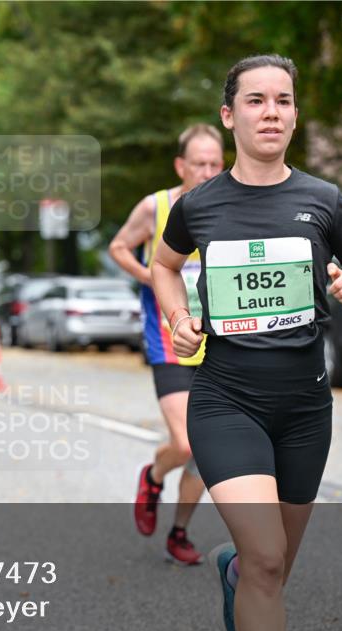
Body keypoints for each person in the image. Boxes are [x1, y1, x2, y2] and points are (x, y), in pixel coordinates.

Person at [151, 55, 342, 631]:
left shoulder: (324, 200)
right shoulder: (199, 205)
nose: (271, 112)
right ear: (228, 116)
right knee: (266, 556)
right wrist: (179, 321)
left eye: (283, 100)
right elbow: (164, 265)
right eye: (256, 100)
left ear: (295, 116)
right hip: (226, 401)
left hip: (305, 408)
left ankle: (233, 571)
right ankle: (246, 570)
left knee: (273, 567)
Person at [108, 124, 224, 565]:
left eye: (215, 164)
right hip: (169, 340)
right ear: (180, 166)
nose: (208, 172)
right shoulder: (155, 207)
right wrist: (153, 277)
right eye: (199, 164)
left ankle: (179, 532)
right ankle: (154, 476)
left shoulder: (230, 206)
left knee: (208, 449)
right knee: (188, 442)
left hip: (220, 343)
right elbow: (120, 247)